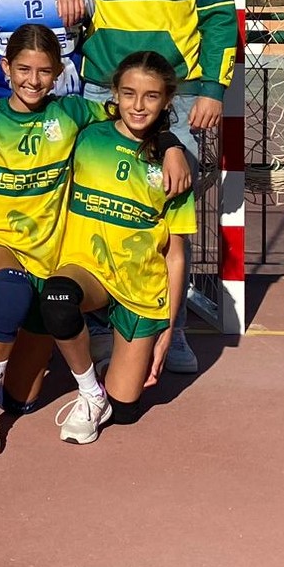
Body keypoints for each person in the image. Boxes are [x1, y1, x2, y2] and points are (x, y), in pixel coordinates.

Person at [0, 25, 189, 454]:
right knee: (11, 290)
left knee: (36, 400)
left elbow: (134, 119)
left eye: (45, 71)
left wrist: (172, 144)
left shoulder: (75, 116)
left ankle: (30, 353)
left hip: (56, 258)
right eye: (23, 69)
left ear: (60, 72)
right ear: (5, 67)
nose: (33, 80)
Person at [70, 0, 240, 374]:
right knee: (100, 207)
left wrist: (213, 88)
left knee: (167, 209)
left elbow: (219, 16)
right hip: (102, 87)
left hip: (177, 91)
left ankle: (173, 328)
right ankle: (103, 326)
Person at [41, 51, 193, 445]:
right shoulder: (88, 136)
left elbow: (175, 255)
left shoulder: (173, 167)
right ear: (114, 93)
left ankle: (113, 353)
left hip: (140, 285)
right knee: (57, 297)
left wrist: (168, 329)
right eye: (129, 93)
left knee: (125, 410)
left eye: (151, 96)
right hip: (86, 268)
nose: (138, 105)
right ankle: (90, 392)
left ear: (167, 100)